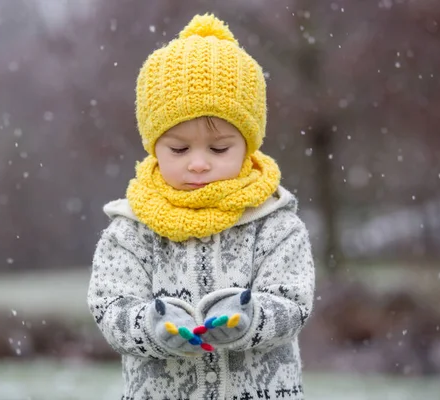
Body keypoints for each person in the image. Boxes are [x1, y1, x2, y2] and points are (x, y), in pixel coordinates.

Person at [88, 13, 315, 400]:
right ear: (153, 145)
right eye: (178, 148)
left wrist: (249, 319)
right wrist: (152, 324)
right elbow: (110, 307)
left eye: (219, 148)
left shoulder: (274, 223)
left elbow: (293, 303)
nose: (198, 163)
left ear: (248, 144)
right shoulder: (131, 230)